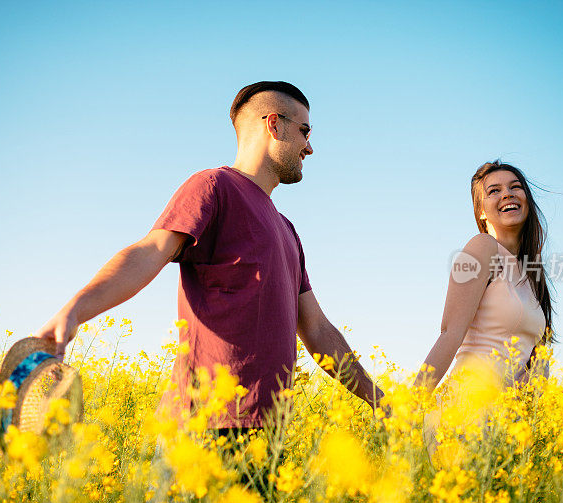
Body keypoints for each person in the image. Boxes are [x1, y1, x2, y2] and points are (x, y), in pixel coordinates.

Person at [35, 81, 383, 434]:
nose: (310, 147)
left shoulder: (287, 230)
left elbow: (318, 330)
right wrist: (75, 310)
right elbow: (150, 251)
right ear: (273, 124)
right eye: (304, 131)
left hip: (267, 438)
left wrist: (381, 402)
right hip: (202, 429)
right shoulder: (214, 187)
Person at [415, 160, 554, 394]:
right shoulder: (482, 247)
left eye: (515, 187)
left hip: (507, 420)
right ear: (480, 210)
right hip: (466, 409)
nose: (507, 194)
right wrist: (407, 409)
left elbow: (538, 357)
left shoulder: (532, 272)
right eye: (494, 191)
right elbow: (450, 333)